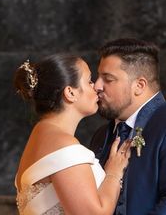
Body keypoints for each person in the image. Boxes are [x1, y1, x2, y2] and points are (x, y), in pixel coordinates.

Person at [90, 38, 166, 215]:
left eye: (107, 79)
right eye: (98, 77)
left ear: (139, 85)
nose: (97, 86)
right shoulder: (101, 135)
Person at [14, 53, 133, 215]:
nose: (96, 87)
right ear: (70, 93)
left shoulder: (39, 134)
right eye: (89, 80)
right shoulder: (64, 145)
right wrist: (113, 172)